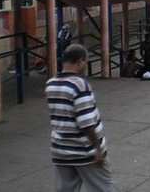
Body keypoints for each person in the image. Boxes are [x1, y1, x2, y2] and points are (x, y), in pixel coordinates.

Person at [45, 44, 113, 191]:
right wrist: (97, 149)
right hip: (84, 151)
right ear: (80, 61)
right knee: (103, 188)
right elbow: (86, 123)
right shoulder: (80, 85)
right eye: (86, 62)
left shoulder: (50, 84)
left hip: (60, 150)